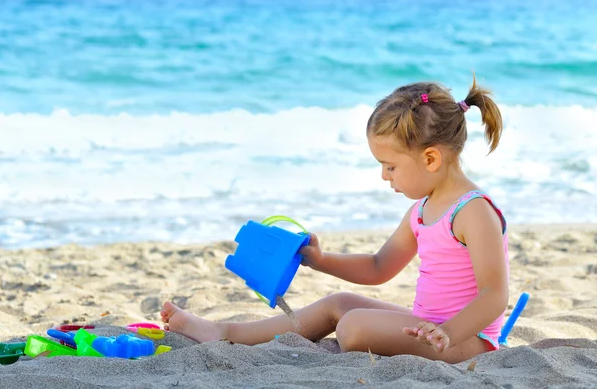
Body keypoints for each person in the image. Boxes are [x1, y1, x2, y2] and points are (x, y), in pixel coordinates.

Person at [160, 75, 510, 364]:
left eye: (390, 166)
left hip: (465, 340)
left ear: (431, 159)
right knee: (337, 304)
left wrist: (448, 331)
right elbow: (378, 267)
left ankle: (231, 333)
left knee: (353, 327)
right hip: (429, 328)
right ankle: (225, 332)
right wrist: (322, 261)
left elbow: (494, 295)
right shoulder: (421, 209)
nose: (385, 177)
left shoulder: (473, 211)